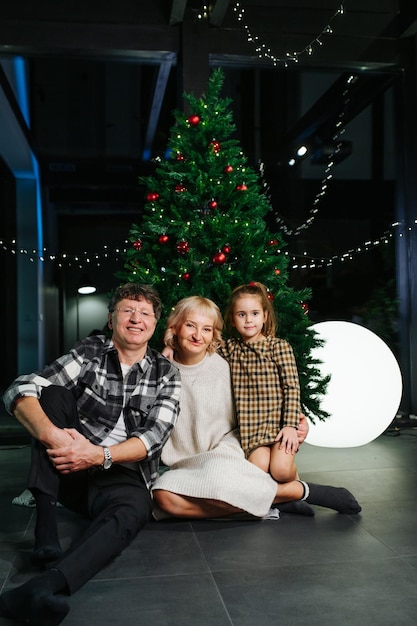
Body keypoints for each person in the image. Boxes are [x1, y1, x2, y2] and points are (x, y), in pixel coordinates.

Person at [0, 283, 181, 626]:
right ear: (112, 319)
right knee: (53, 395)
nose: (135, 319)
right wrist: (53, 435)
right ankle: (46, 528)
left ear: (155, 324)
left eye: (145, 313)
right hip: (67, 463)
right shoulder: (91, 350)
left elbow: (155, 436)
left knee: (134, 511)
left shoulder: (165, 372)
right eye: (127, 310)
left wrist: (99, 455)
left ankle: (45, 587)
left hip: (121, 471)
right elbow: (22, 387)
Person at [154, 295, 361, 520]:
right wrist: (167, 348)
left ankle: (295, 491)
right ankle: (281, 497)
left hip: (222, 451)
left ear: (214, 334)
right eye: (190, 326)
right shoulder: (162, 369)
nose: (197, 335)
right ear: (175, 327)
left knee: (218, 486)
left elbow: (268, 393)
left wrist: (293, 422)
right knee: (163, 499)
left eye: (206, 329)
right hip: (183, 460)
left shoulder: (223, 364)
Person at [219, 281, 301, 483]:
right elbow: (201, 347)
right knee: (258, 469)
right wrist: (171, 345)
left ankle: (298, 486)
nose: (248, 320)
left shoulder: (278, 347)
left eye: (255, 313)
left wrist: (290, 425)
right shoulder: (230, 349)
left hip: (280, 427)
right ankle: (279, 498)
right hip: (252, 432)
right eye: (241, 314)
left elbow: (291, 387)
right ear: (232, 318)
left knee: (281, 470)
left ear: (264, 316)